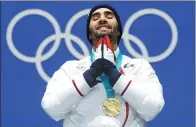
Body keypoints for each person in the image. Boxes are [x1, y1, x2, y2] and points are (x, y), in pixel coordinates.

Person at [41, 4, 165, 127]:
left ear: (118, 32)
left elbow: (153, 108)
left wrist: (117, 78)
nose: (102, 19)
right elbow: (52, 108)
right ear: (89, 34)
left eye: (109, 16)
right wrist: (88, 77)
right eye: (95, 18)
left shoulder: (140, 66)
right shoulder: (69, 69)